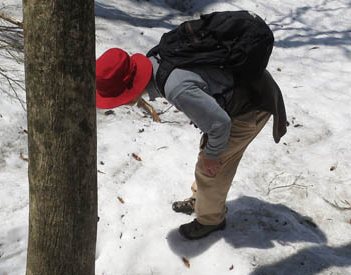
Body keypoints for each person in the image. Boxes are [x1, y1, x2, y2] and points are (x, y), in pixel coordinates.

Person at [95, 45, 286, 240]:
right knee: (208, 157)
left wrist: (211, 156)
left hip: (251, 104)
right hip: (244, 89)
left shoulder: (177, 88)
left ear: (129, 88)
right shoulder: (157, 61)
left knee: (212, 167)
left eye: (117, 98)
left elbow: (220, 124)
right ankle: (201, 200)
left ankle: (210, 220)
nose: (120, 103)